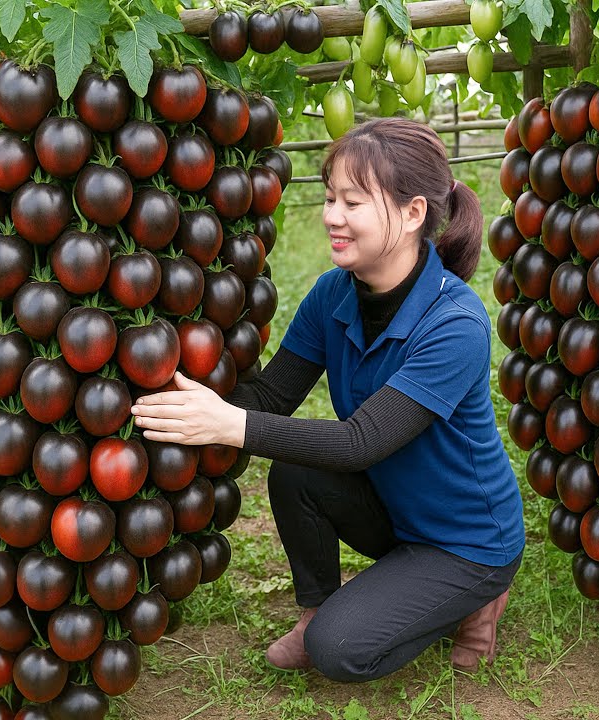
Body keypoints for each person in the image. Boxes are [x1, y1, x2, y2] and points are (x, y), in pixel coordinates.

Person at [130, 118, 525, 682]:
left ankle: (473, 599)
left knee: (342, 651)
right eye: (331, 197)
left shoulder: (455, 322)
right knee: (295, 469)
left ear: (415, 213)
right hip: (396, 511)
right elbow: (272, 395)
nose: (333, 216)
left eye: (355, 202)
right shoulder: (333, 292)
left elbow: (360, 442)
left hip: (466, 540)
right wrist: (170, 387)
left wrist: (228, 425)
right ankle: (315, 611)